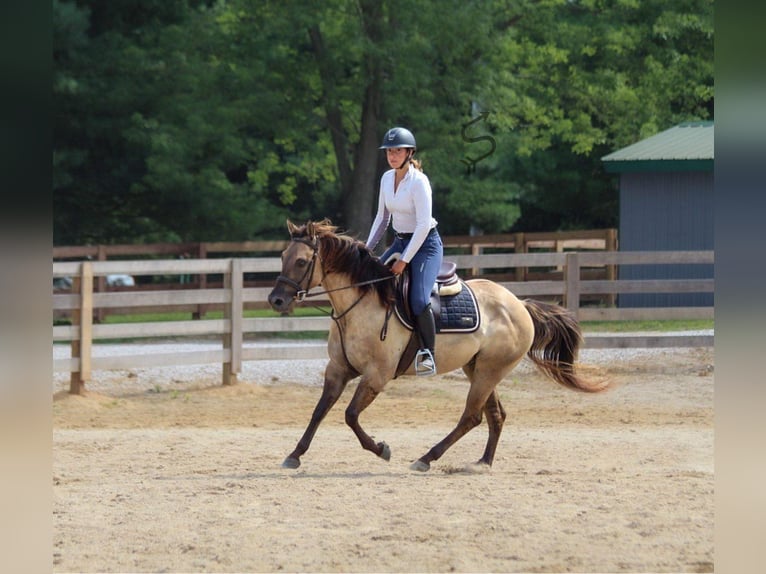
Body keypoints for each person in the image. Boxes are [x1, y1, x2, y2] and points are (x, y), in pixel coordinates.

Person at [365, 127, 443, 376]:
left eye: (398, 150)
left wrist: (404, 261)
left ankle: (428, 354)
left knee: (419, 299)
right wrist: (366, 251)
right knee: (369, 281)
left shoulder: (419, 182)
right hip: (399, 242)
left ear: (410, 153)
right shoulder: (387, 178)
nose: (392, 155)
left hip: (426, 246)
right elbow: (382, 217)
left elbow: (422, 224)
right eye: (389, 151)